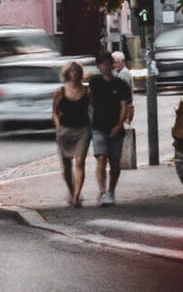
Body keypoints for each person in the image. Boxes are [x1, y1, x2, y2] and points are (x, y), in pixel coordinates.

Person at [89, 53, 132, 204]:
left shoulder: (121, 85)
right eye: (103, 64)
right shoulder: (94, 82)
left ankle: (111, 190)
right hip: (98, 126)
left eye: (109, 63)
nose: (106, 67)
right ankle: (102, 192)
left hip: (116, 127)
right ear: (99, 66)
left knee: (114, 162)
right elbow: (91, 100)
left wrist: (119, 125)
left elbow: (124, 106)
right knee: (101, 158)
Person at [50, 59, 93, 207]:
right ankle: (71, 189)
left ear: (81, 74)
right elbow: (55, 112)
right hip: (65, 130)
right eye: (72, 72)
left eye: (77, 72)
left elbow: (94, 108)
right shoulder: (60, 92)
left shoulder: (86, 91)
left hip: (83, 129)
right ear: (67, 74)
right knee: (66, 164)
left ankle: (76, 196)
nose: (74, 75)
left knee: (80, 162)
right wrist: (58, 127)